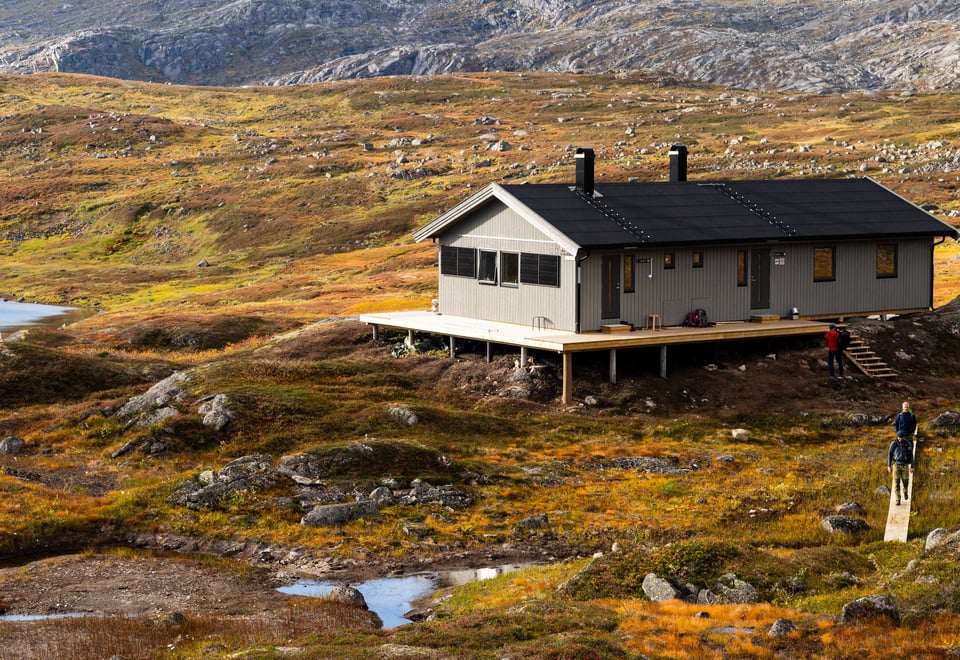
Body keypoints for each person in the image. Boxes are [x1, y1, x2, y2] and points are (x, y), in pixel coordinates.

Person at [887, 433, 914, 506]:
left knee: (905, 481)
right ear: (897, 436)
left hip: (905, 465)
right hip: (896, 464)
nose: (900, 439)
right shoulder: (894, 444)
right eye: (899, 437)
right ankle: (897, 499)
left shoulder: (907, 444)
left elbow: (911, 455)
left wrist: (912, 466)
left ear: (903, 437)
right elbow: (890, 454)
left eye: (901, 437)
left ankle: (905, 491)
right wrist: (889, 465)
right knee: (896, 482)